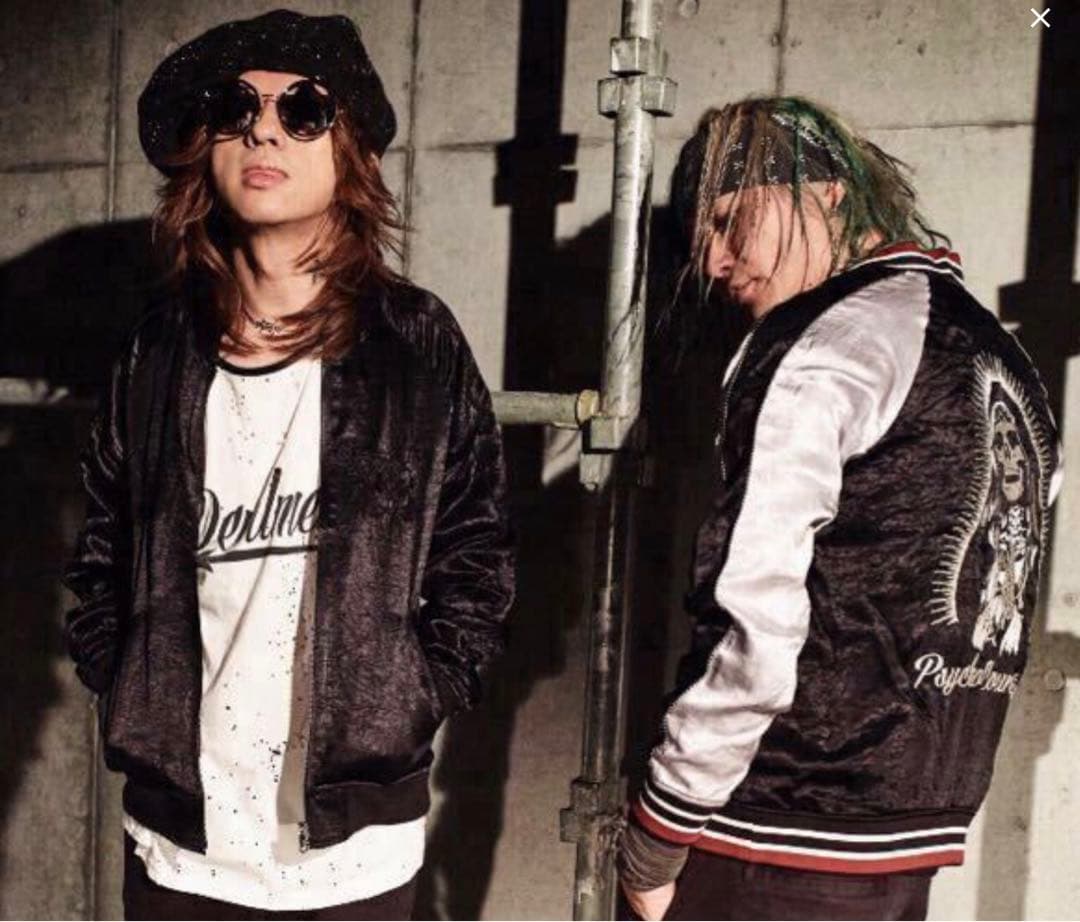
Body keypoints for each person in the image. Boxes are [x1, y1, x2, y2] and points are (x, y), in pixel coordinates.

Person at [61, 10, 514, 920]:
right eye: (236, 108)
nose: (264, 130)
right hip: (181, 848)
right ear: (205, 150)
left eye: (303, 109)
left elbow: (478, 555)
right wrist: (126, 679)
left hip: (353, 853)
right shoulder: (157, 352)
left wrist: (412, 694)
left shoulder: (415, 343)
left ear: (351, 153)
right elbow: (102, 551)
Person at [617, 96, 1063, 921]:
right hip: (904, 838)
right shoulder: (1004, 360)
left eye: (731, 220)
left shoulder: (821, 345)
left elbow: (752, 614)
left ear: (826, 193)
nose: (714, 261)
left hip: (772, 833)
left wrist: (660, 827)